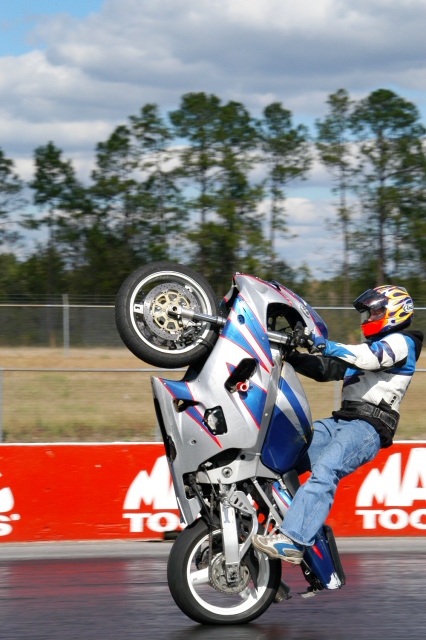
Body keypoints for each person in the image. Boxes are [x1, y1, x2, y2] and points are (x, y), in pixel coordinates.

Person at [252, 285, 423, 564]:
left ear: (397, 311)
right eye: (367, 312)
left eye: (375, 311)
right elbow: (326, 369)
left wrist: (324, 344)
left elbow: (368, 357)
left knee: (326, 467)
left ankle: (294, 539)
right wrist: (289, 352)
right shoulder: (367, 349)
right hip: (341, 420)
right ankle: (256, 528)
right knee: (279, 457)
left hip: (368, 426)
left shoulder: (402, 342)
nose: (368, 317)